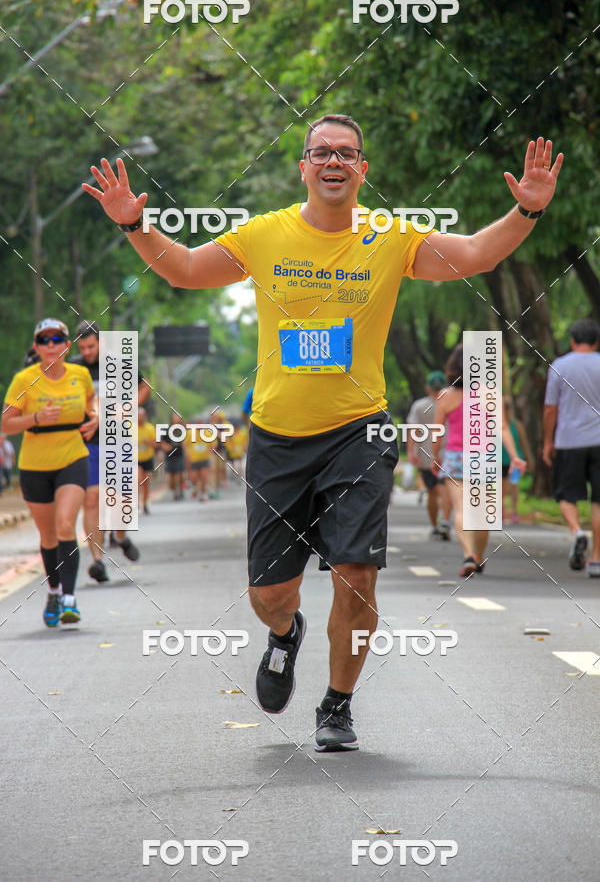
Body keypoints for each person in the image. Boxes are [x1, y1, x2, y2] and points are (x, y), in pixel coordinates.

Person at [84, 116, 562, 751]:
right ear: (303, 167)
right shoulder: (265, 234)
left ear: (362, 169)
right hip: (278, 437)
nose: (334, 161)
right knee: (268, 595)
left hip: (360, 433)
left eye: (347, 153)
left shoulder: (391, 237)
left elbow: (475, 252)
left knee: (357, 574)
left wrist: (525, 213)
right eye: (321, 152)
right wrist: (133, 223)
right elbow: (187, 270)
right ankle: (285, 634)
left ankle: (338, 704)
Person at [1, 318, 97, 625]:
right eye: (45, 340)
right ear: (37, 347)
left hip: (72, 457)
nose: (51, 344)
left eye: (57, 339)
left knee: (66, 523)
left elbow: (91, 406)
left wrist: (95, 419)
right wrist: (37, 418)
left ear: (68, 346)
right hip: (35, 465)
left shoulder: (80, 375)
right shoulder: (24, 380)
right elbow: (5, 424)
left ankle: (70, 599)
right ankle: (53, 591)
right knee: (48, 535)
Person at [433, 345, 527, 576]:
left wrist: (434, 456)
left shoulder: (445, 396)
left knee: (461, 509)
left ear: (453, 367)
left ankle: (467, 555)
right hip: (484, 458)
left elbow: (437, 431)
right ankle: (478, 557)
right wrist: (515, 457)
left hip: (455, 458)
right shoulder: (491, 394)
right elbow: (503, 428)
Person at [69, 321, 146, 583]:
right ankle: (98, 561)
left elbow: (143, 387)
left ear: (101, 342)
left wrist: (126, 407)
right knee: (92, 500)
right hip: (87, 442)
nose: (87, 352)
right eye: (83, 348)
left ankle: (120, 536)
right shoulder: (75, 368)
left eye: (91, 346)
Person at [543, 318, 600, 577]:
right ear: (596, 341)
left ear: (573, 341)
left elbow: (550, 408)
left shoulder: (560, 366)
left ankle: (577, 531)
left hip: (569, 441)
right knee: (598, 500)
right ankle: (597, 559)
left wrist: (548, 441)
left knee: (566, 495)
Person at [406, 370, 452, 540]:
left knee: (433, 491)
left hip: (426, 456)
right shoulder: (452, 402)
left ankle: (435, 526)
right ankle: (445, 521)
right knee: (445, 487)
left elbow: (413, 430)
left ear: (427, 388)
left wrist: (411, 451)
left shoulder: (419, 406)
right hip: (448, 453)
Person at [501, 397, 533, 523]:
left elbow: (524, 444)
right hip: (499, 461)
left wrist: (529, 458)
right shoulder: (493, 424)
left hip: (514, 461)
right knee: (502, 488)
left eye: (507, 408)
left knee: (514, 485)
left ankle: (514, 511)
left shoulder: (516, 425)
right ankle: (501, 510)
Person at [184, 416, 212, 502]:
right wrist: (187, 453)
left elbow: (212, 444)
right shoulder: (190, 433)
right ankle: (195, 487)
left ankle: (203, 494)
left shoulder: (207, 433)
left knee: (204, 477)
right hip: (194, 459)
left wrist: (210, 451)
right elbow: (185, 444)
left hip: (204, 459)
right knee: (194, 478)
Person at [160, 411, 186, 500]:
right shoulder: (167, 431)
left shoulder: (183, 430)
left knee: (180, 475)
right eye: (175, 418)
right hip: (169, 456)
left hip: (179, 455)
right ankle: (174, 490)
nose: (177, 420)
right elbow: (162, 443)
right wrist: (166, 447)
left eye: (178, 418)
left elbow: (187, 443)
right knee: (171, 481)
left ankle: (179, 491)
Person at [137, 407, 157, 514]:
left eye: (142, 415)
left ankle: (144, 503)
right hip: (136, 460)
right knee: (138, 480)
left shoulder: (150, 428)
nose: (140, 418)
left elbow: (156, 444)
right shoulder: (131, 428)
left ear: (145, 416)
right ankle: (135, 502)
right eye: (138, 415)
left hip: (148, 458)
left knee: (145, 482)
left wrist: (147, 442)